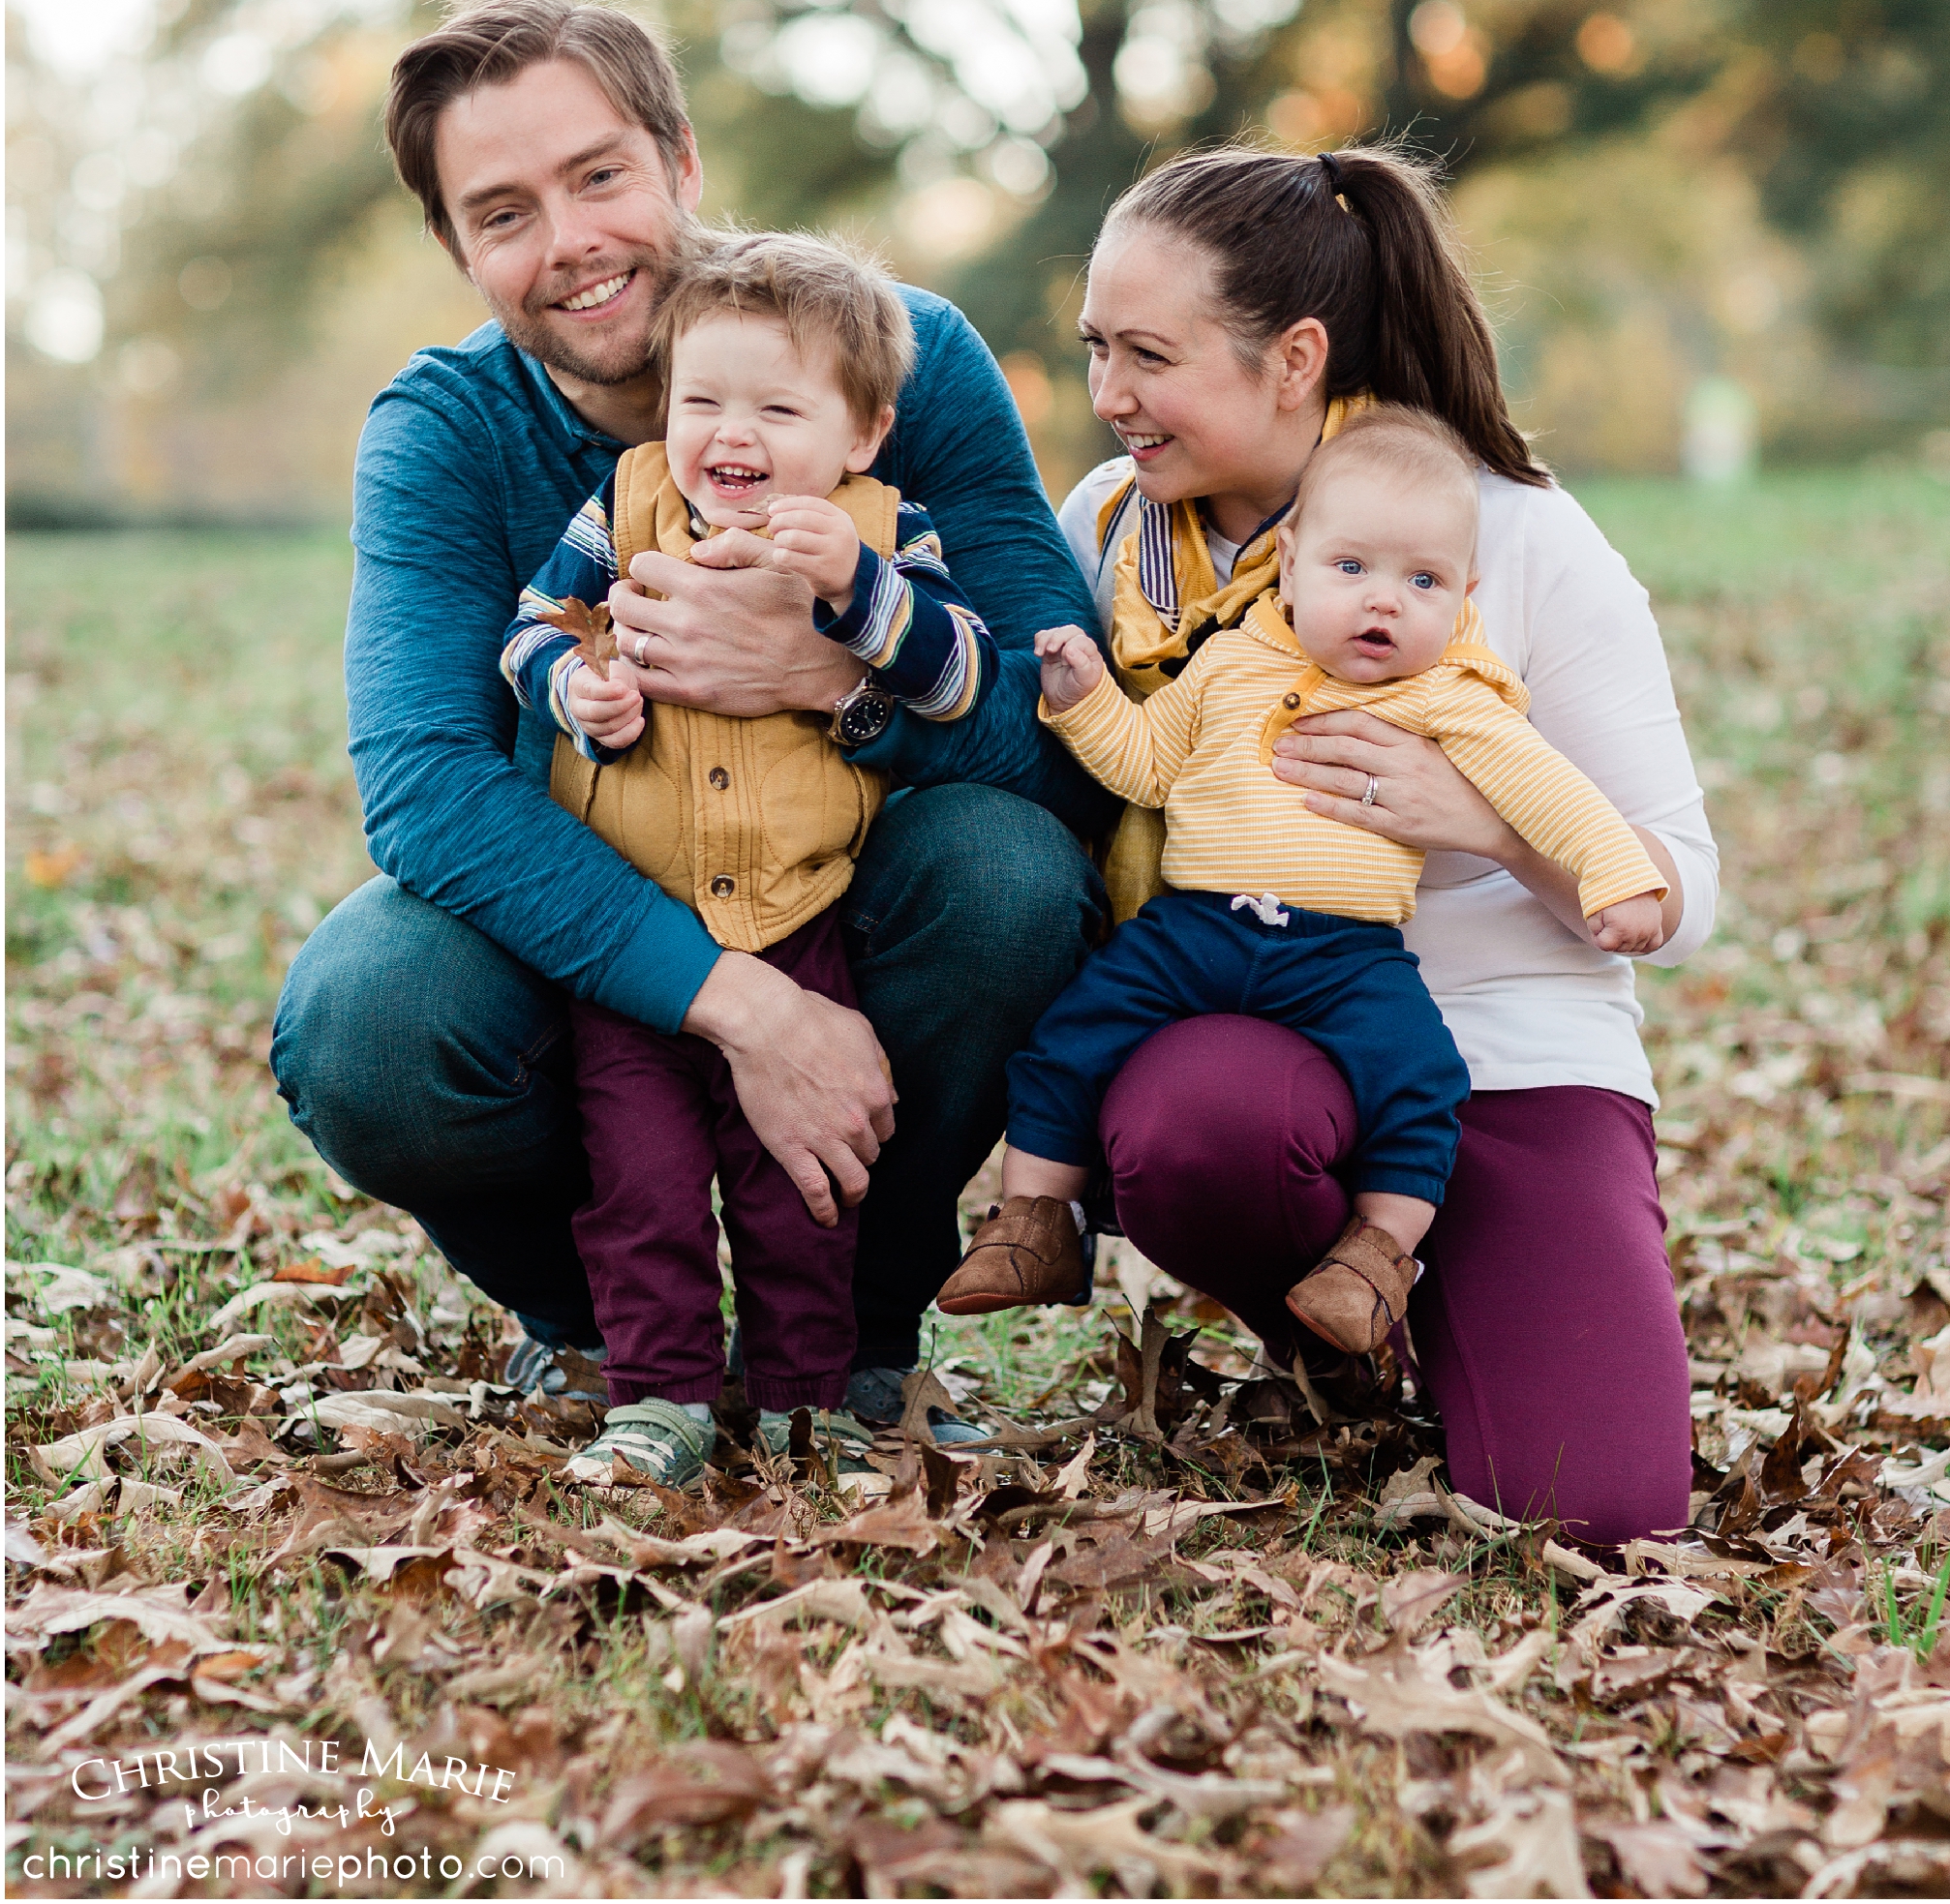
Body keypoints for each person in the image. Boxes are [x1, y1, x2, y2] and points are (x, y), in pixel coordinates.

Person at [269, 0, 1110, 1439]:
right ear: (460, 249)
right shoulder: (444, 428)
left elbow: (1065, 727)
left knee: (1011, 873)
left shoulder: (901, 358)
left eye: (599, 174)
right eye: (506, 210)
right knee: (369, 1016)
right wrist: (741, 1010)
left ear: (681, 162)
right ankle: (606, 1338)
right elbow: (420, 787)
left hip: (841, 894)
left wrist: (834, 683)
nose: (572, 242)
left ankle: (855, 1338)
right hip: (590, 939)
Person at [1036, 142, 1717, 1548]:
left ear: (1293, 358)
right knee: (1195, 1128)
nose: (1110, 397)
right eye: (1098, 348)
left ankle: (1451, 1297)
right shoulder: (1111, 529)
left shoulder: (1513, 536)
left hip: (1510, 1053)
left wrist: (1478, 822)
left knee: (1595, 1510)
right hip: (1255, 1020)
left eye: (1150, 356)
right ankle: (1339, 1322)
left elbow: (1680, 884)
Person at [937, 406, 1669, 1355]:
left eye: (1422, 581)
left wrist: (1614, 875)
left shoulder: (1446, 692)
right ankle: (1033, 1221)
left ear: (1463, 595)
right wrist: (1083, 703)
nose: (1383, 602)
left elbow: (1551, 792)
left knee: (1416, 1076)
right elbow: (1148, 765)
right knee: (1067, 1038)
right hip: (1191, 932)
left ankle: (1370, 1261)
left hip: (1340, 949)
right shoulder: (1232, 659)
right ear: (1288, 562)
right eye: (1350, 567)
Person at [502, 227, 998, 1486]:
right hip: (635, 936)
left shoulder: (887, 528)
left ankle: (806, 1396)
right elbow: (532, 629)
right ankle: (658, 1393)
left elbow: (958, 676)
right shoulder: (623, 508)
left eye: (777, 407)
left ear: (861, 434)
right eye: (700, 399)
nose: (731, 432)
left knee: (801, 1183)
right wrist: (574, 691)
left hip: (800, 910)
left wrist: (860, 595)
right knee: (644, 1183)